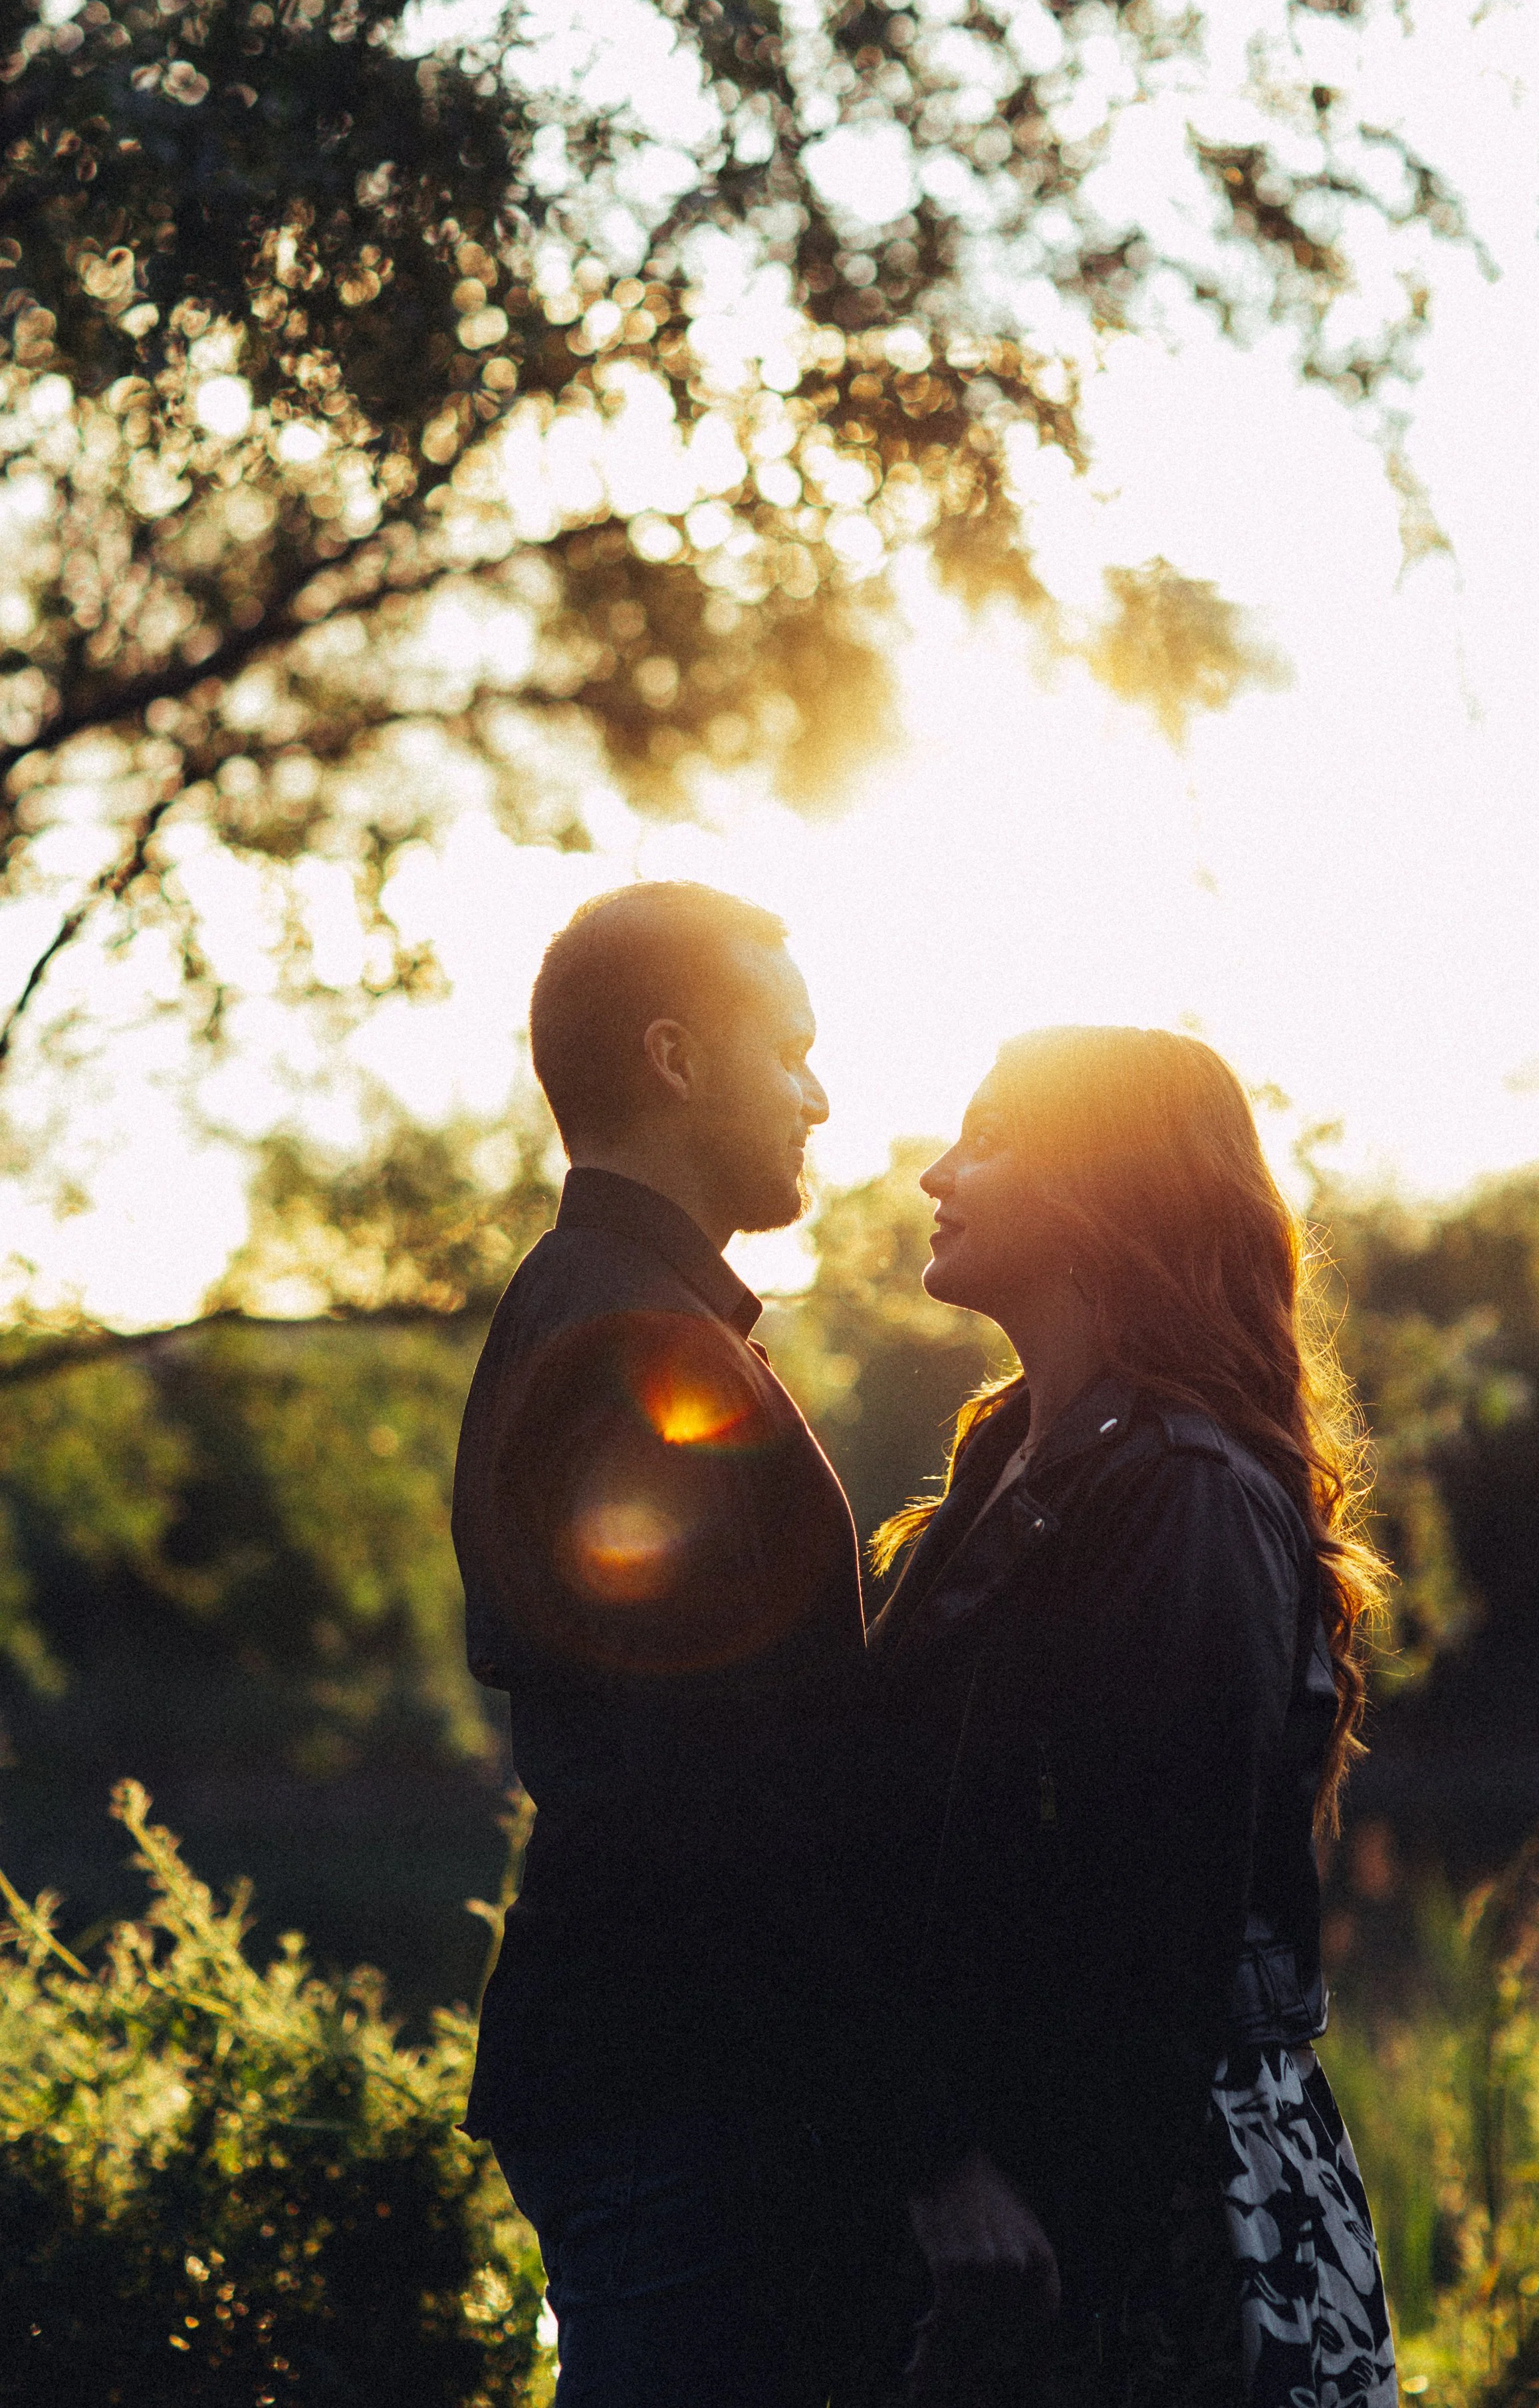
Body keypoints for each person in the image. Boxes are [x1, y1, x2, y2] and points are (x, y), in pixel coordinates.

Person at [866, 1025, 1397, 2408]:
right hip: (1008, 2186)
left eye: (986, 1136)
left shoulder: (1183, 1492)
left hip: (1148, 2208)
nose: (935, 1171)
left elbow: (1146, 1929)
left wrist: (1030, 2232)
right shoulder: (1006, 1453)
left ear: (1101, 1184)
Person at [452, 880, 868, 2408]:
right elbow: (713, 1796)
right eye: (793, 1050)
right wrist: (921, 2136)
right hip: (685, 2100)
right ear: (678, 1058)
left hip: (672, 2084)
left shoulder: (604, 1311)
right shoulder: (630, 1354)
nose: (820, 1095)